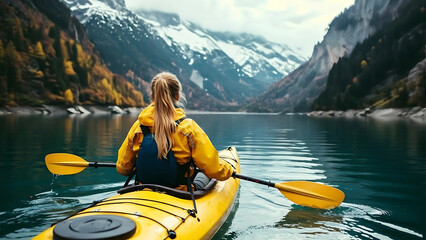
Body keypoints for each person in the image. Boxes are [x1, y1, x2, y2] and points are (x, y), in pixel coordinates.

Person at [116, 72, 235, 191]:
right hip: (180, 191)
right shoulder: (188, 128)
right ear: (178, 96)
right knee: (205, 174)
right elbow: (214, 170)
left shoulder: (138, 127)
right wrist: (229, 170)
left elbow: (123, 168)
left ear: (153, 96)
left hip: (144, 189)